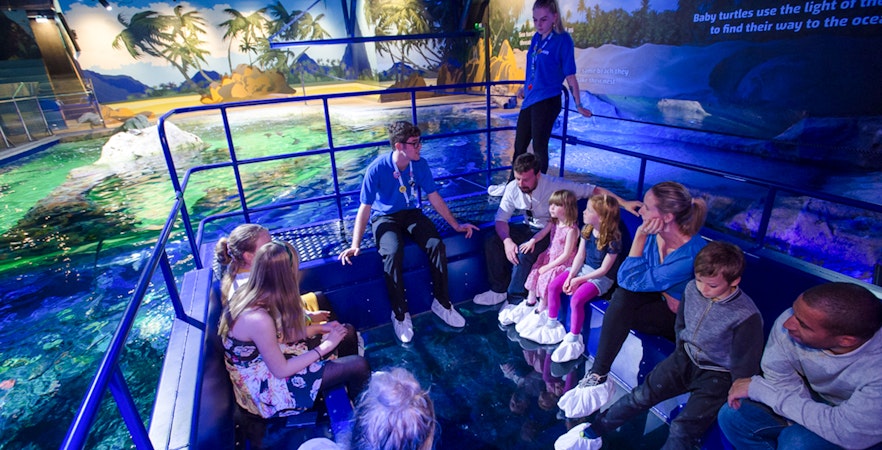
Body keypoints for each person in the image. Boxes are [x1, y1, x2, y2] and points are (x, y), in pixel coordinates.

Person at [571, 241, 763, 449]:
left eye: (712, 285)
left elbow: (746, 361)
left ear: (735, 281)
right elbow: (681, 324)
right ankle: (593, 430)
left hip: (718, 374)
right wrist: (681, 351)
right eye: (699, 280)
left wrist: (737, 388)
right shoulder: (691, 288)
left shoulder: (746, 315)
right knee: (641, 395)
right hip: (685, 357)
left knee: (682, 429)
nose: (703, 289)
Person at [338, 121, 479, 343]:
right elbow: (364, 208)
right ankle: (399, 314)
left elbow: (434, 197)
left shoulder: (419, 164)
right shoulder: (376, 169)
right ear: (398, 146)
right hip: (384, 217)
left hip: (410, 213)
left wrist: (456, 225)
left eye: (419, 142)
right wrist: (355, 244)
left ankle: (442, 303)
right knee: (392, 252)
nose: (419, 147)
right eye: (414, 143)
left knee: (436, 245)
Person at [718, 282, 882, 450]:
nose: (787, 324)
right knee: (733, 416)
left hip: (863, 429)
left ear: (846, 341)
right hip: (817, 402)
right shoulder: (791, 324)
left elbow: (849, 432)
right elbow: (780, 376)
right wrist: (798, 416)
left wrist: (764, 391)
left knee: (797, 442)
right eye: (794, 311)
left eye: (803, 325)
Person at [219, 241, 370, 419]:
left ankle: (344, 389)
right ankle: (363, 418)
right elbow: (281, 370)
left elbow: (279, 336)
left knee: (347, 332)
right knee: (359, 366)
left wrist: (320, 328)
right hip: (265, 388)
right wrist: (326, 346)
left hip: (270, 358)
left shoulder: (258, 291)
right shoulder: (257, 318)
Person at [579, 181, 708, 389]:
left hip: (676, 317)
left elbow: (630, 279)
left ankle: (606, 377)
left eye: (647, 207)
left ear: (667, 217)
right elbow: (629, 281)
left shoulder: (690, 254)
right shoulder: (655, 234)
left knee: (622, 305)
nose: (641, 211)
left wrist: (639, 236)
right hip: (658, 298)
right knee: (621, 298)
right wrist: (664, 291)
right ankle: (598, 374)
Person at [474, 153, 640, 309]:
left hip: (550, 232)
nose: (521, 184)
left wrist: (624, 203)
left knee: (525, 253)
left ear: (538, 175)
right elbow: (501, 220)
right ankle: (498, 290)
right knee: (492, 239)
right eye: (518, 179)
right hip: (527, 228)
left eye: (525, 180)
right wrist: (507, 241)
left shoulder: (555, 185)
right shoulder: (512, 188)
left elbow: (593, 190)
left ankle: (515, 299)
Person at [487, 0, 591, 197]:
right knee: (519, 146)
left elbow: (570, 76)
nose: (538, 24)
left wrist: (578, 104)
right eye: (535, 20)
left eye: (543, 19)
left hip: (547, 100)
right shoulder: (536, 38)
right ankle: (512, 187)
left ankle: (537, 192)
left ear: (554, 17)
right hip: (531, 99)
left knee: (539, 148)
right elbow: (533, 70)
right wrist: (524, 88)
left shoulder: (563, 40)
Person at [546, 194, 624, 362]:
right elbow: (580, 255)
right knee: (553, 286)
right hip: (583, 269)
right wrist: (571, 276)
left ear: (601, 217)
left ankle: (574, 337)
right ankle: (551, 324)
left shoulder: (614, 239)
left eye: (588, 210)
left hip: (600, 277)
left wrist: (579, 280)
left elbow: (604, 269)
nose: (584, 212)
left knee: (577, 299)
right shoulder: (587, 229)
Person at [510, 190, 579, 341]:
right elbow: (542, 234)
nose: (551, 208)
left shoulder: (571, 230)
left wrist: (548, 267)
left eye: (556, 205)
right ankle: (530, 302)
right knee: (534, 272)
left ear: (567, 207)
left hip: (561, 262)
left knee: (546, 278)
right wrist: (532, 241)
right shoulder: (554, 222)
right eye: (551, 204)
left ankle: (542, 307)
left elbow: (566, 254)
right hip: (549, 255)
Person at [213, 223, 272, 303]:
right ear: (248, 256)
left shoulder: (235, 264)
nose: (274, 247)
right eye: (267, 246)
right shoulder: (254, 289)